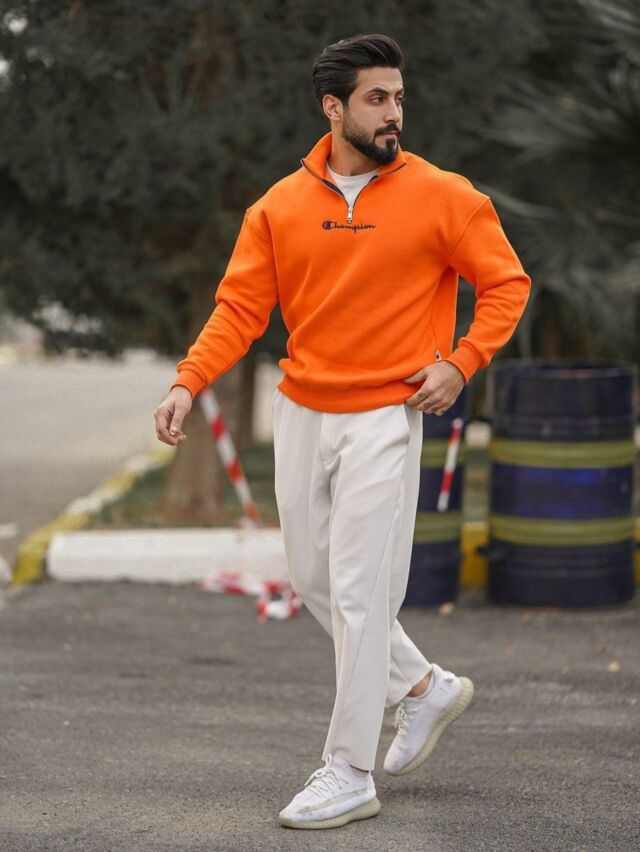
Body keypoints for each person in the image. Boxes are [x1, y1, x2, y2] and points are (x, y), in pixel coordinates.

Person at [154, 33, 531, 831]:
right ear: (333, 107)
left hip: (387, 414)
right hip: (303, 409)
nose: (394, 112)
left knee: (361, 593)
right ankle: (423, 687)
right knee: (314, 581)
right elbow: (239, 310)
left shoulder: (445, 196)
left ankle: (349, 772)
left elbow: (506, 284)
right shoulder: (278, 207)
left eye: (398, 97)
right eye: (376, 98)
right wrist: (189, 381)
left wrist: (461, 363)